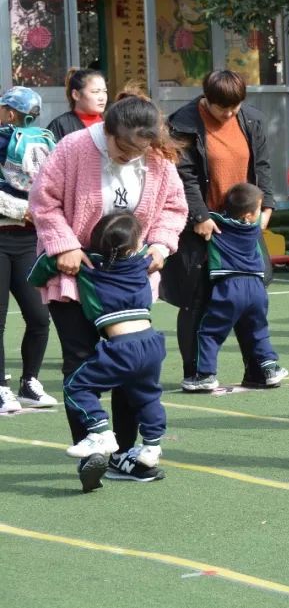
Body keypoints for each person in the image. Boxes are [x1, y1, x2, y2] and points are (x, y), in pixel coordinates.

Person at [29, 96, 186, 484]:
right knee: (80, 360)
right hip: (76, 272)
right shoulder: (74, 147)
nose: (129, 156)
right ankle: (92, 448)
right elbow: (43, 201)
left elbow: (173, 208)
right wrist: (63, 244)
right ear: (107, 131)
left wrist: (162, 244)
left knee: (131, 366)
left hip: (129, 276)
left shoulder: (158, 159)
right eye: (123, 148)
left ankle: (125, 453)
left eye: (139, 149)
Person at [29, 212, 167, 492]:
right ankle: (151, 446)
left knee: (76, 386)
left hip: (121, 348)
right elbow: (150, 248)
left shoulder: (90, 265)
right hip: (152, 342)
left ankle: (101, 430)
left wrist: (63, 253)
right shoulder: (143, 260)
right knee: (147, 396)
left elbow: (36, 275)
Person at [161, 70, 276, 388]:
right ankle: (197, 373)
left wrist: (265, 206)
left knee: (250, 294)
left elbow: (262, 165)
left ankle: (258, 368)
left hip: (243, 225)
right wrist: (199, 216)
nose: (228, 114)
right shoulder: (182, 123)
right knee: (197, 297)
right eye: (221, 108)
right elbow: (183, 175)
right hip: (203, 225)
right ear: (206, 99)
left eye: (235, 108)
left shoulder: (252, 120)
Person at [182, 182, 285, 392]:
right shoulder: (254, 228)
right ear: (249, 215)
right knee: (259, 331)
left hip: (231, 286)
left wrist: (201, 216)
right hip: (256, 287)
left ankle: (205, 375)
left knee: (210, 332)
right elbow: (260, 216)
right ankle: (271, 369)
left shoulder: (217, 223)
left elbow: (199, 217)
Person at [0, 87, 56, 412]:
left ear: (10, 112)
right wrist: (24, 210)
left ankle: (29, 382)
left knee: (38, 315)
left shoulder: (44, 141)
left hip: (27, 238)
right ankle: (1, 386)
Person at [45, 68, 108, 142]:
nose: (102, 97)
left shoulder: (112, 122)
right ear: (76, 95)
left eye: (104, 91)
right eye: (95, 92)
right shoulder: (60, 125)